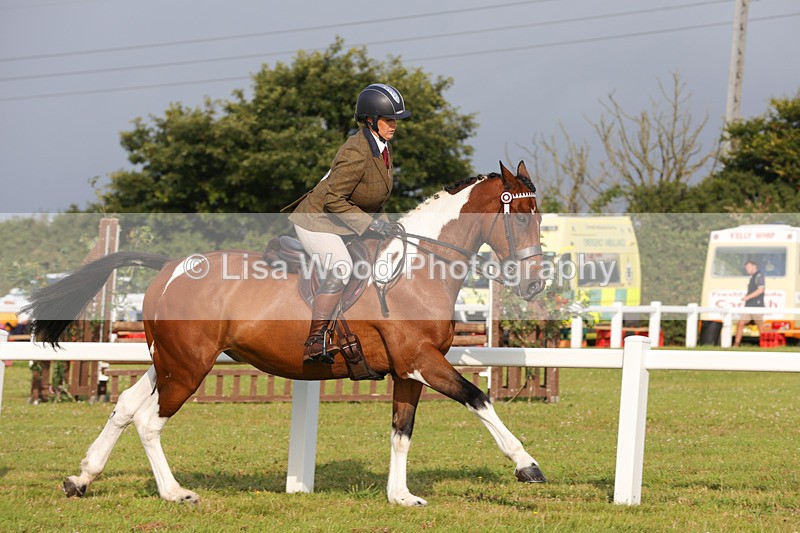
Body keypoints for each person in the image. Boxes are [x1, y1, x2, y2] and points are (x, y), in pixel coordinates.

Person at [282, 83, 411, 364]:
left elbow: (373, 199)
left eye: (396, 120)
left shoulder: (382, 147)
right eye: (389, 120)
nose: (394, 125)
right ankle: (315, 341)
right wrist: (372, 226)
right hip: (316, 220)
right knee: (341, 266)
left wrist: (389, 228)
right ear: (370, 120)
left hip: (343, 221)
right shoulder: (356, 150)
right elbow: (333, 199)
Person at [733, 260, 765, 347]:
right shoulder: (752, 277)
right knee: (740, 323)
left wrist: (748, 297)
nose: (747, 269)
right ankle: (736, 344)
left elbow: (760, 290)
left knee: (760, 326)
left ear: (754, 266)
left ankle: (763, 344)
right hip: (749, 306)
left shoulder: (759, 276)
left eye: (748, 267)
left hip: (757, 306)